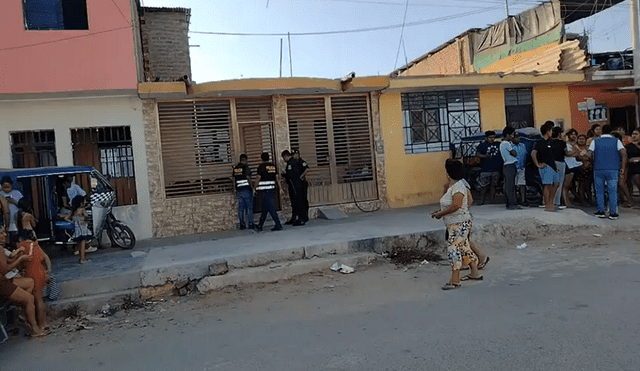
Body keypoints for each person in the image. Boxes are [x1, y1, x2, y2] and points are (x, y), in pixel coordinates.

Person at [431, 159, 482, 290]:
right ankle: (475, 272)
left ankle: (455, 279)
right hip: (458, 222)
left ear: (448, 173)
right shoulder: (455, 187)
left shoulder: (458, 187)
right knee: (464, 247)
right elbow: (465, 202)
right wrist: (441, 212)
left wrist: (441, 214)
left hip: (458, 224)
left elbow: (456, 205)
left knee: (453, 250)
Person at [0, 226, 47, 337]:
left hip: (5, 279)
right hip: (2, 282)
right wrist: (21, 259)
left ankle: (22, 312)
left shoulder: (2, 249)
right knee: (30, 298)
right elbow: (5, 269)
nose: (5, 235)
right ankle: (35, 329)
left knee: (30, 282)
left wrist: (17, 254)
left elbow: (9, 260)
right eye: (1, 233)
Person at [589, 124, 627, 220]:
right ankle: (613, 213)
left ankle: (601, 211)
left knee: (599, 191)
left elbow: (589, 154)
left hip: (598, 168)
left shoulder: (595, 141)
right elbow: (624, 153)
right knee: (613, 191)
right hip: (613, 169)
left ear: (602, 131)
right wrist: (622, 167)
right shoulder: (616, 141)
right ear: (611, 131)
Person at [15, 234, 51, 332]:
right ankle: (44, 322)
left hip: (32, 273)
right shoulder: (35, 245)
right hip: (41, 271)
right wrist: (48, 270)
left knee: (37, 300)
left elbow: (19, 263)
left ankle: (42, 324)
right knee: (40, 299)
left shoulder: (22, 247)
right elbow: (45, 257)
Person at [531, 121, 560, 212]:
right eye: (551, 131)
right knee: (547, 185)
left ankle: (551, 202)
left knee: (556, 184)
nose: (552, 133)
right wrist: (537, 164)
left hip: (552, 166)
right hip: (546, 166)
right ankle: (547, 204)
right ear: (547, 131)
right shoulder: (541, 142)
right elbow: (533, 153)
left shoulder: (550, 142)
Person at [254, 152, 283, 232]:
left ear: (262, 158)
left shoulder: (261, 167)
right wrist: (280, 188)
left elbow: (258, 179)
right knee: (265, 208)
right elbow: (277, 178)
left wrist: (254, 188)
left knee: (271, 207)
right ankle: (260, 225)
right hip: (272, 189)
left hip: (264, 191)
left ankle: (278, 224)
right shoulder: (273, 166)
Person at [475, 131, 503, 205]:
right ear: (486, 138)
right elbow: (478, 154)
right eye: (490, 137)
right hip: (485, 169)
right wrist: (485, 156)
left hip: (495, 169)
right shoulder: (482, 145)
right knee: (483, 186)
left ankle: (492, 200)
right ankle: (482, 201)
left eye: (493, 137)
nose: (492, 139)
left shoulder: (498, 144)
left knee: (493, 185)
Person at [66, 195, 95, 263]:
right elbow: (87, 218)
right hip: (83, 229)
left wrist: (73, 222)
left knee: (79, 245)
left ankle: (81, 258)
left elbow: (66, 218)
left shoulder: (73, 211)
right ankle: (83, 259)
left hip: (77, 230)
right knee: (83, 245)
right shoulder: (82, 210)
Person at [499, 127, 520, 210]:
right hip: (509, 165)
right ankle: (511, 203)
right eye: (512, 134)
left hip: (509, 165)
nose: (513, 136)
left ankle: (512, 203)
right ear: (508, 135)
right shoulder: (506, 143)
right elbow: (514, 153)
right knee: (510, 186)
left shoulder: (504, 143)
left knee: (510, 185)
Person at [232, 154, 254, 230]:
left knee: (241, 208)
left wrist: (235, 190)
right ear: (245, 160)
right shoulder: (246, 167)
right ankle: (250, 224)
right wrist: (253, 188)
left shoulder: (235, 168)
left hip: (239, 190)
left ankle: (242, 225)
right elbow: (249, 179)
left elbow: (233, 180)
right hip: (246, 189)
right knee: (249, 208)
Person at [289, 149, 310, 225]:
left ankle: (302, 218)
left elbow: (307, 169)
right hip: (295, 185)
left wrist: (301, 176)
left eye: (294, 154)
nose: (293, 156)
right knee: (297, 201)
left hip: (301, 185)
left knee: (301, 201)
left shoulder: (301, 161)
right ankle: (300, 218)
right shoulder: (292, 162)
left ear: (297, 154)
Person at [1, 176, 24, 246]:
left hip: (15, 221)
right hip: (4, 222)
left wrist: (13, 201)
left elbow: (23, 205)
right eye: (4, 187)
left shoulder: (17, 193)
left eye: (8, 187)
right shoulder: (0, 194)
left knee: (15, 240)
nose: (6, 189)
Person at [562, 129, 582, 208]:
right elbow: (567, 154)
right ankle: (566, 202)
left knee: (571, 184)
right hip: (568, 165)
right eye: (571, 134)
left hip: (574, 165)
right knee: (566, 185)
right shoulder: (565, 144)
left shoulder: (575, 145)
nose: (573, 136)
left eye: (575, 134)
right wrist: (574, 152)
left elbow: (578, 154)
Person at [550, 126, 568, 209]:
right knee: (559, 183)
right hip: (560, 163)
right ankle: (557, 202)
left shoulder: (549, 142)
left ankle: (549, 201)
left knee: (551, 183)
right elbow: (566, 153)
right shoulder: (562, 143)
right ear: (560, 133)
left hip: (551, 163)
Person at [574, 134, 593, 205]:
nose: (581, 140)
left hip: (589, 169)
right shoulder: (575, 148)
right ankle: (582, 201)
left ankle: (590, 200)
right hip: (580, 169)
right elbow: (577, 157)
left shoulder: (588, 148)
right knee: (581, 185)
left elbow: (590, 157)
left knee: (588, 186)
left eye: (583, 139)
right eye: (580, 139)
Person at [512, 132, 530, 206]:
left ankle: (523, 200)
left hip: (522, 167)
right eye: (515, 137)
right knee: (514, 185)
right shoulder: (510, 146)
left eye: (518, 137)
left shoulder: (523, 145)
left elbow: (525, 155)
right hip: (513, 167)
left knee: (522, 184)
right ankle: (514, 200)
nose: (517, 139)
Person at [281, 150, 297, 225]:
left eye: (284, 158)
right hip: (294, 185)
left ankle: (297, 218)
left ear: (286, 156)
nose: (284, 160)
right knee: (294, 202)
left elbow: (290, 175)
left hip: (294, 185)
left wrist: (284, 175)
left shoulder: (291, 163)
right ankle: (294, 218)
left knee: (295, 202)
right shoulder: (292, 162)